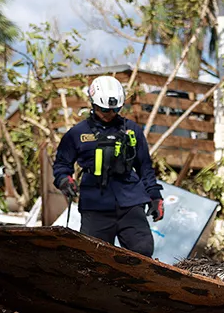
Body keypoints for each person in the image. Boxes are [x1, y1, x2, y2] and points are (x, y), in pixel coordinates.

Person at [53, 75, 164, 258]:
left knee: (142, 251)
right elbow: (61, 165)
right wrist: (64, 180)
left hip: (130, 200)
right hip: (95, 202)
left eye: (114, 109)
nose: (108, 114)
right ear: (93, 103)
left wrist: (155, 196)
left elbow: (145, 167)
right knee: (93, 256)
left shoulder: (132, 130)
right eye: (103, 109)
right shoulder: (77, 134)